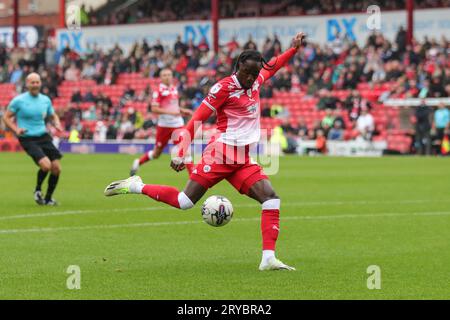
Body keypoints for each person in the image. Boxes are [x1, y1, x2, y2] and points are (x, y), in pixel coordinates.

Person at [105, 32, 307, 271]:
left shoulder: (256, 81)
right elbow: (197, 119)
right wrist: (181, 149)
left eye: (254, 74)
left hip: (242, 158)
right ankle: (136, 185)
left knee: (271, 199)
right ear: (237, 67)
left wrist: (293, 50)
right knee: (184, 201)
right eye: (246, 73)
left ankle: (268, 258)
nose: (251, 78)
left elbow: (272, 66)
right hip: (220, 154)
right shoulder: (223, 88)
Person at [2, 73, 63, 205]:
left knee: (57, 168)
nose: (35, 85)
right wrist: (16, 129)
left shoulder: (45, 100)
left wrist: (57, 123)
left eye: (37, 82)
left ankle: (48, 198)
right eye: (32, 82)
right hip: (27, 137)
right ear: (27, 84)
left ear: (40, 83)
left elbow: (53, 115)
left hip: (43, 136)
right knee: (46, 165)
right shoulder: (19, 101)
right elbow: (6, 117)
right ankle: (37, 190)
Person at [130, 68, 193, 176]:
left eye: (169, 74)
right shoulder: (158, 91)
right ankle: (138, 162)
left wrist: (183, 110)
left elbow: (174, 106)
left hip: (178, 124)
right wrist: (171, 112)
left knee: (185, 150)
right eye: (164, 75)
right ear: (161, 77)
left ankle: (194, 179)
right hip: (164, 126)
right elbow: (154, 109)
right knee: (156, 154)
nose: (167, 77)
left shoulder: (174, 89)